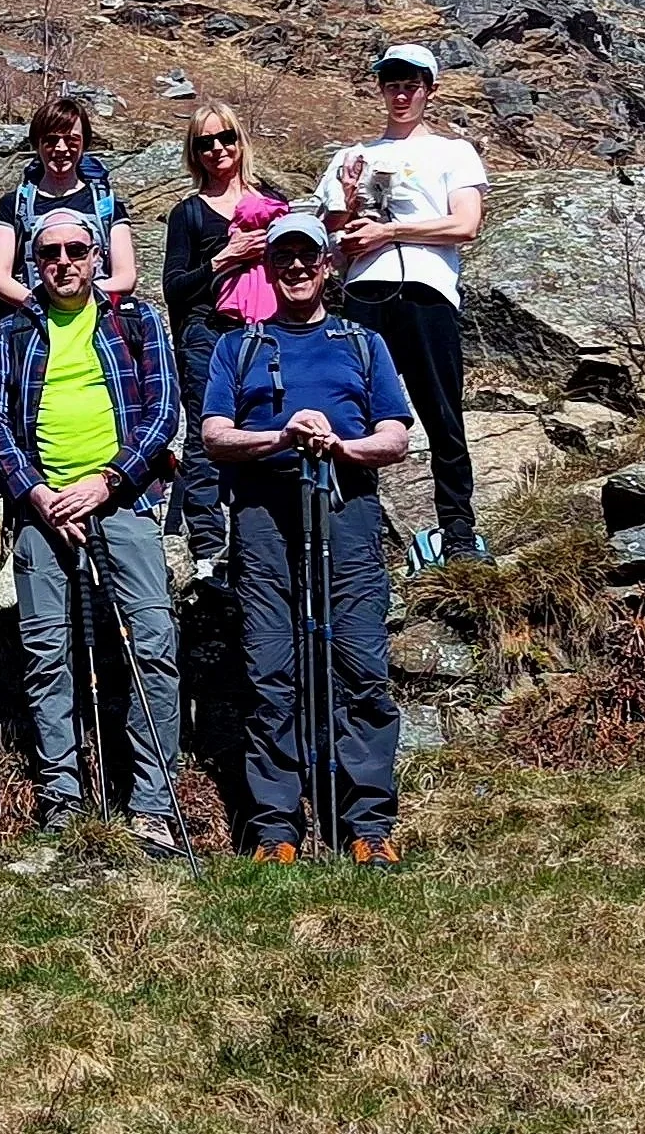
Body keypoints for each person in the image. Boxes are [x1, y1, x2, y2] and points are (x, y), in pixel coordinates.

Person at [202, 212, 414, 867]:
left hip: (346, 508)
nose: (295, 267)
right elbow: (213, 434)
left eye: (307, 256)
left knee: (357, 662)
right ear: (268, 266)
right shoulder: (237, 346)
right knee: (269, 667)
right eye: (283, 256)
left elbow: (396, 436)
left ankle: (367, 823)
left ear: (326, 266)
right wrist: (279, 437)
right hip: (263, 514)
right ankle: (274, 827)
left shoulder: (362, 343)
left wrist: (341, 445)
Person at [0, 207, 186, 858]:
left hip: (121, 501)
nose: (63, 261)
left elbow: (162, 413)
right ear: (32, 263)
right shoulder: (11, 335)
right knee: (46, 656)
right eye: (49, 253)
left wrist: (105, 481)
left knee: (151, 642)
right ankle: (62, 801)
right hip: (42, 514)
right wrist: (38, 495)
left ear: (96, 254)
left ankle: (152, 806)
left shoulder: (136, 321)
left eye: (75, 249)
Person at [317, 44, 489, 564]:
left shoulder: (454, 152)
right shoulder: (350, 156)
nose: (401, 92)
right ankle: (349, 528)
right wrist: (349, 208)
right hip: (364, 292)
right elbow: (331, 234)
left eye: (412, 83)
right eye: (391, 82)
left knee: (441, 409)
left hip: (427, 293)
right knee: (353, 408)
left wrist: (390, 230)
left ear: (430, 90)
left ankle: (458, 530)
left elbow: (466, 224)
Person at [160, 101, 288, 585]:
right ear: (193, 153)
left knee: (267, 427)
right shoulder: (188, 214)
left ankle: (264, 535)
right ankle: (208, 546)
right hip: (206, 334)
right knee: (206, 435)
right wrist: (226, 258)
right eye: (205, 143)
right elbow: (174, 287)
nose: (217, 149)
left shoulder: (272, 202)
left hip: (266, 330)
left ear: (240, 140)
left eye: (225, 138)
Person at [0, 96, 138, 311]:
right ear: (37, 144)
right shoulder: (13, 206)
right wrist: (42, 304)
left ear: (84, 143)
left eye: (71, 140)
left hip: (94, 318)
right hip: (32, 319)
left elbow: (126, 277)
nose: (61, 148)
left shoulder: (106, 204)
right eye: (50, 140)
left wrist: (75, 299)